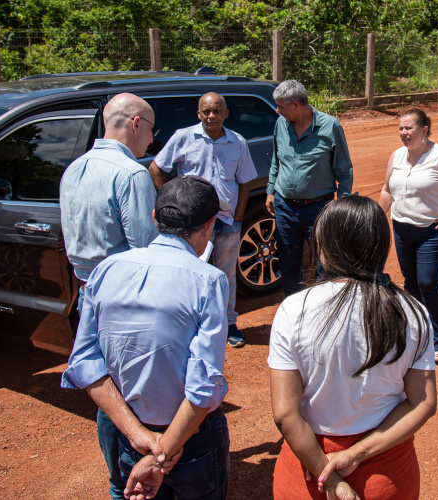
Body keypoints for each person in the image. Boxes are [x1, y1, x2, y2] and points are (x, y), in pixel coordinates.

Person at [63, 176, 233, 500]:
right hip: (192, 440)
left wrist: (139, 435)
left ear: (155, 219)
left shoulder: (105, 270)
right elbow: (203, 386)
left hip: (130, 433)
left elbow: (84, 363)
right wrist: (164, 451)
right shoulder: (208, 280)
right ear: (209, 225)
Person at [268, 195, 437, 500]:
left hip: (307, 471)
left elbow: (285, 415)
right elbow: (423, 403)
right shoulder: (413, 312)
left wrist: (331, 481)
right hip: (386, 471)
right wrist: (356, 454)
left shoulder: (293, 310)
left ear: (327, 246)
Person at [59, 92, 159, 500]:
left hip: (88, 294)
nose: (152, 140)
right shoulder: (131, 174)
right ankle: (133, 477)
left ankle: (117, 480)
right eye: (152, 129)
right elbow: (146, 247)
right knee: (135, 393)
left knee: (107, 393)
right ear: (135, 124)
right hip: (127, 297)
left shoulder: (74, 168)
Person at [148, 92, 258, 348]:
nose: (211, 116)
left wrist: (239, 216)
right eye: (206, 111)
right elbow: (156, 168)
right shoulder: (183, 137)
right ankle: (191, 324)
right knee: (191, 274)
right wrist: (171, 201)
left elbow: (245, 182)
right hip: (192, 224)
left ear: (226, 114)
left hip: (227, 220)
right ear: (198, 114)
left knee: (227, 274)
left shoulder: (237, 142)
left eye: (217, 111)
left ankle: (229, 324)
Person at [378, 108, 438, 364]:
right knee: (410, 282)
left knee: (428, 282)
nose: (404, 133)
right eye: (401, 128)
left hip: (432, 231)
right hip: (401, 228)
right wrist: (378, 216)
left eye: (409, 128)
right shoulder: (396, 156)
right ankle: (414, 333)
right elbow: (387, 190)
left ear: (424, 130)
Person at [265, 79, 353, 297]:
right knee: (288, 261)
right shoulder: (281, 125)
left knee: (325, 262)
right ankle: (294, 311)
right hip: (284, 206)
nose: (277, 111)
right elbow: (276, 159)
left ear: (296, 105)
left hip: (318, 208)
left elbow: (344, 169)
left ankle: (323, 310)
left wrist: (341, 205)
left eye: (281, 107)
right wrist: (270, 190)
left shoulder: (330, 126)